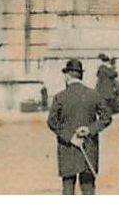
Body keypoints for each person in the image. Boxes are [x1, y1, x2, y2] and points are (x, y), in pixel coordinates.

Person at [47, 58, 113, 195]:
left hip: (67, 148)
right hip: (89, 148)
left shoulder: (60, 97)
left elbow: (52, 122)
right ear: (80, 75)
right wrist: (90, 129)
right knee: (88, 188)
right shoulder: (94, 94)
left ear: (68, 75)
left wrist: (70, 138)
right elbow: (107, 117)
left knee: (68, 188)